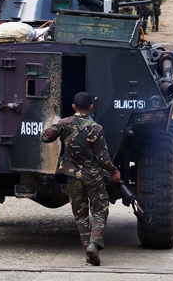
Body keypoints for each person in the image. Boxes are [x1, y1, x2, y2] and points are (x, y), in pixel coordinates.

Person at [41, 92, 121, 267]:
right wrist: (114, 171)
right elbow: (102, 158)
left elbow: (45, 137)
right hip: (93, 177)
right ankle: (94, 244)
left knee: (81, 215)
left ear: (73, 107)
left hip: (72, 178)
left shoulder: (64, 124)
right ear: (91, 107)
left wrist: (55, 127)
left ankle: (88, 250)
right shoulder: (96, 128)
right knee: (99, 211)